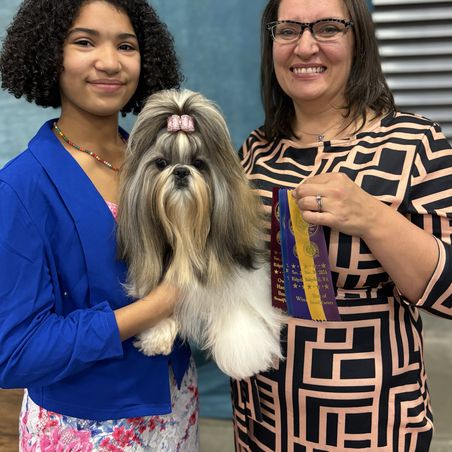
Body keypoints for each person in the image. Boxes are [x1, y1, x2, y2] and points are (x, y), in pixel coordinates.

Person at [231, 0, 452, 450]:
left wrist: (371, 217)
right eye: (287, 30)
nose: (305, 47)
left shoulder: (415, 143)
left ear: (359, 40)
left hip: (369, 420)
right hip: (261, 415)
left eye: (328, 28)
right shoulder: (256, 149)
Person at [0, 1, 199, 450]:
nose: (110, 62)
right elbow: (16, 354)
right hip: (86, 428)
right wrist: (161, 304)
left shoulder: (163, 161)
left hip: (177, 406)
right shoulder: (20, 188)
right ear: (50, 53)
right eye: (85, 42)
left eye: (126, 46)